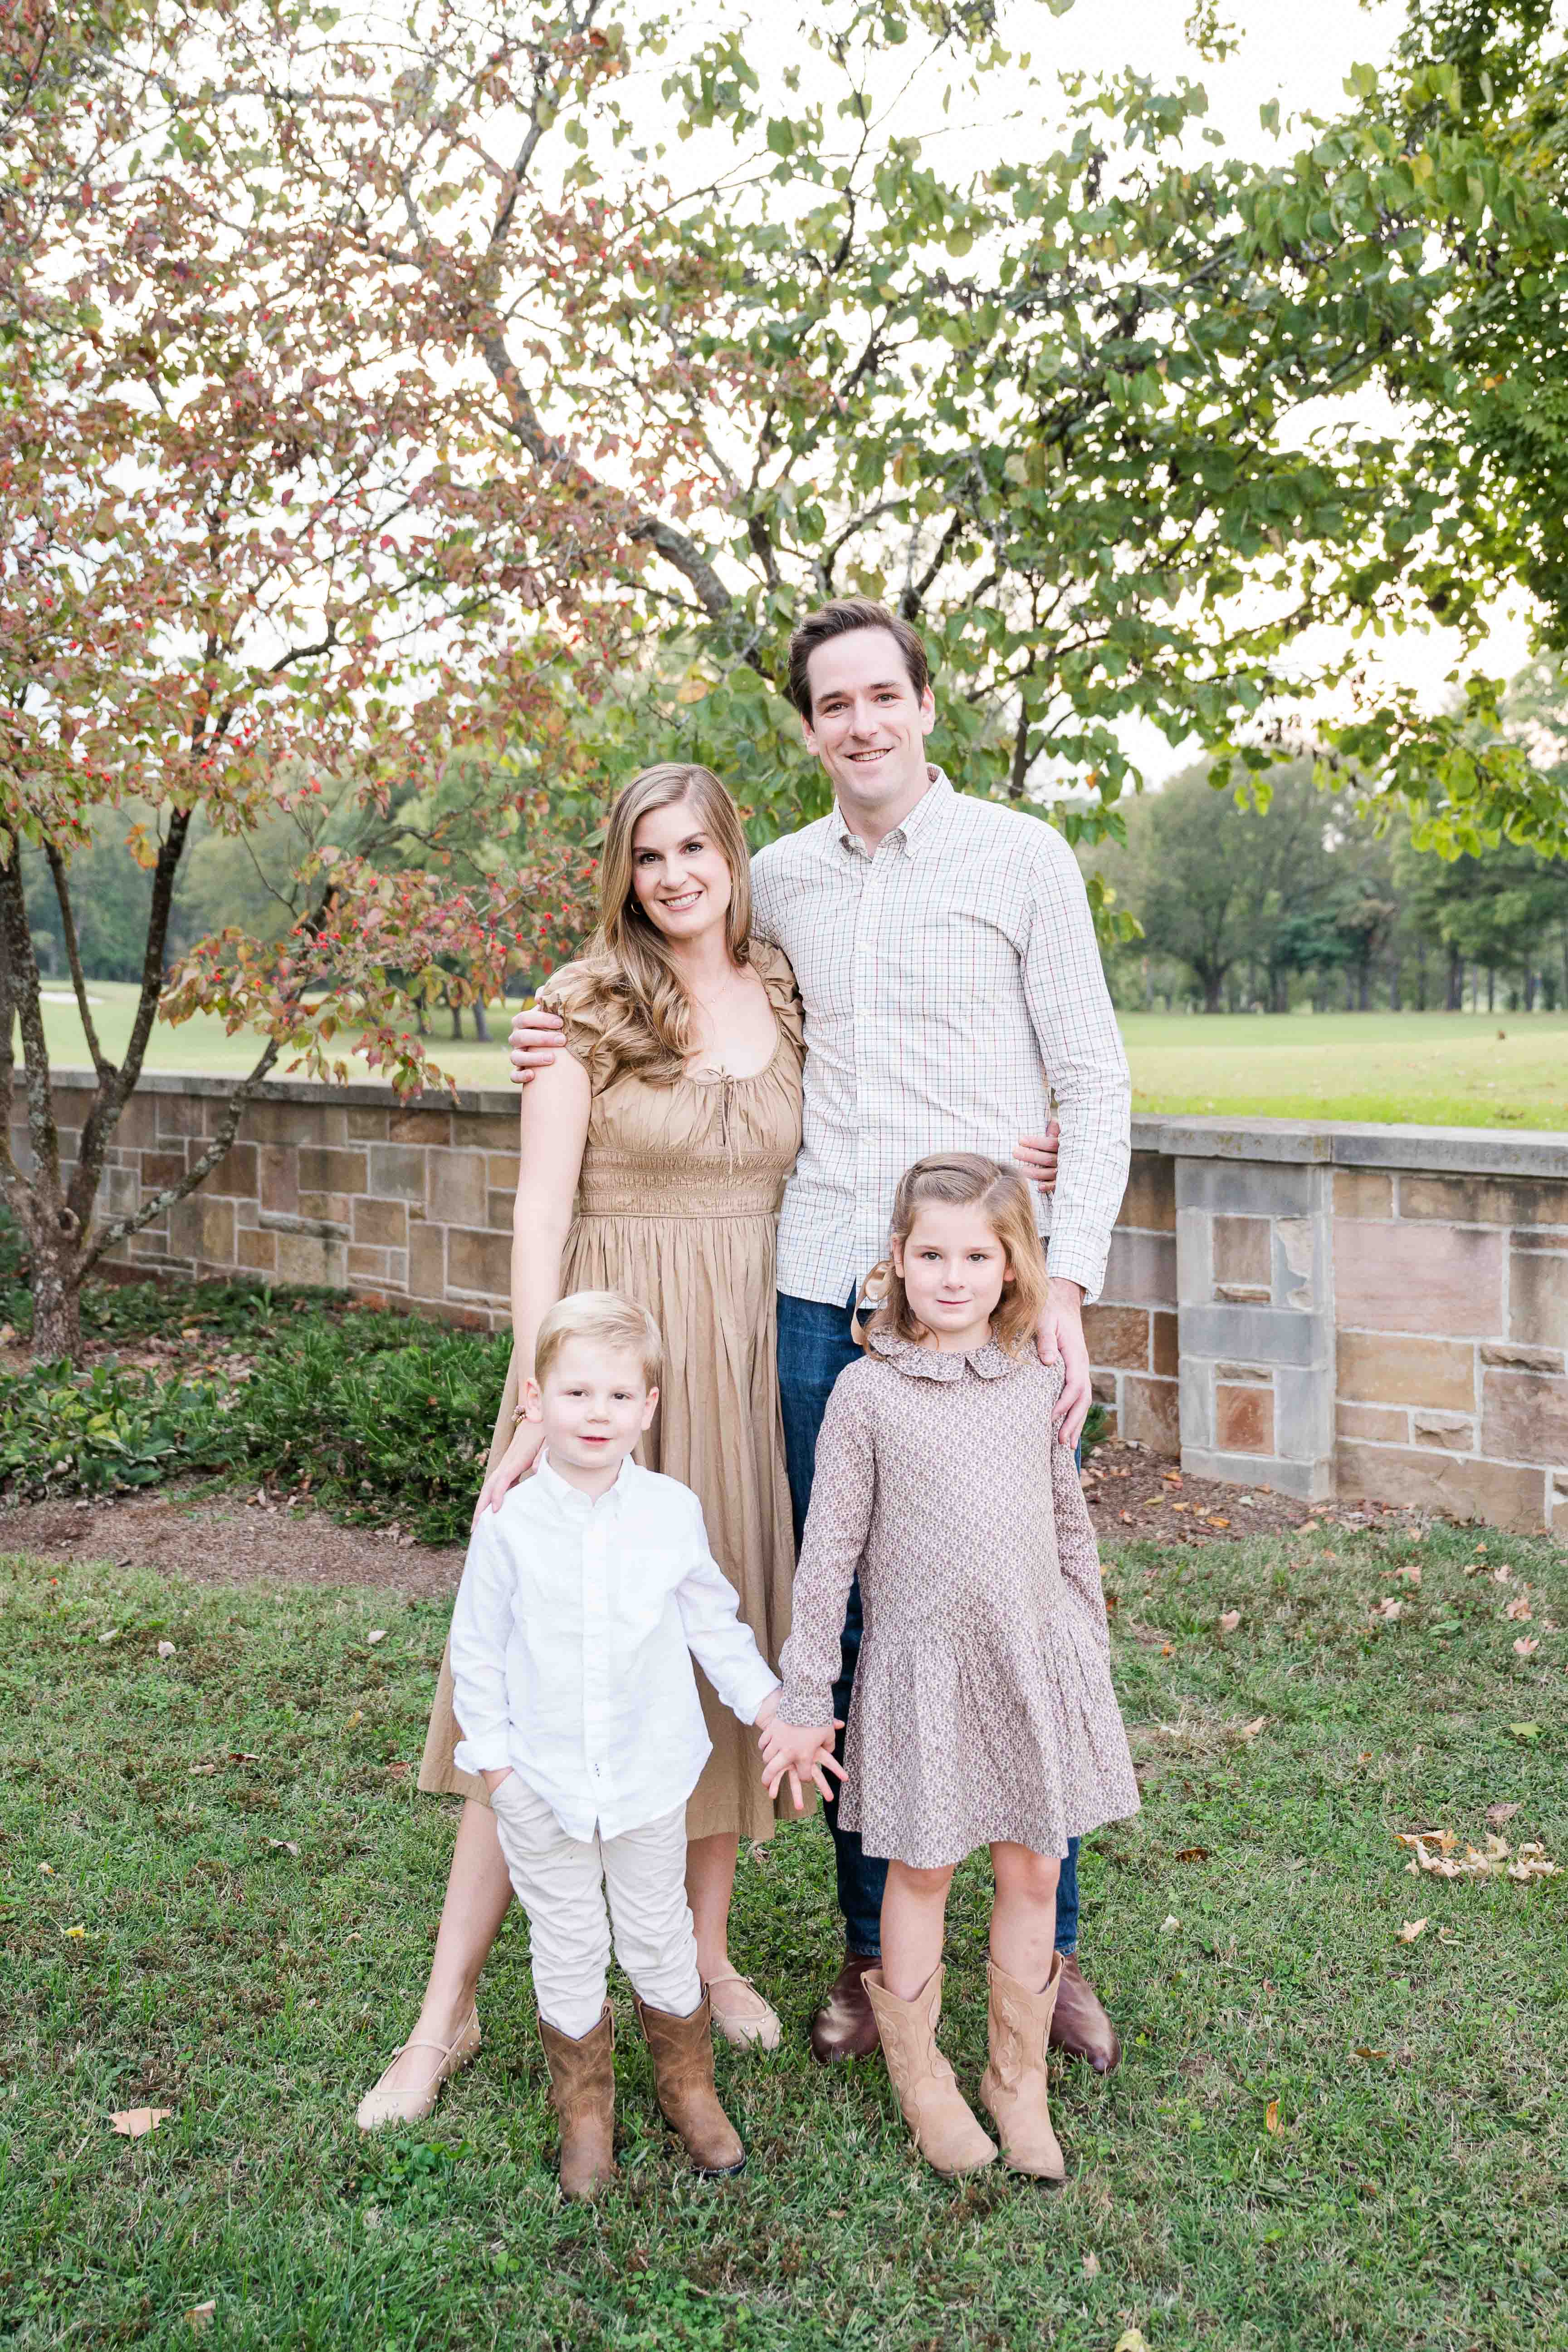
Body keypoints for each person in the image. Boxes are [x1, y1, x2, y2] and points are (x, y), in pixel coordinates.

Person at [511, 597, 1131, 2073]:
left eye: (879, 694)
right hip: (813, 1305)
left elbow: (1095, 1085)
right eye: (829, 703)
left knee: (1014, 1617)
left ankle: (1043, 1957)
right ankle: (869, 1957)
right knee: (848, 1623)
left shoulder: (1018, 861)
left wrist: (1074, 1289)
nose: (856, 721)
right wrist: (551, 1024)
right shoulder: (771, 878)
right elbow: (670, 975)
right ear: (805, 727)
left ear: (925, 702)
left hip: (979, 1297)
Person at [356, 761, 808, 2133]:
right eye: (646, 857)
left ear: (733, 855)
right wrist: (531, 1400)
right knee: (535, 1696)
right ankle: (446, 2014)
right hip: (602, 1358)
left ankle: (708, 1951)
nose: (673, 876)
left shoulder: (787, 992)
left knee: (705, 1651)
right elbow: (537, 1216)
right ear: (621, 873)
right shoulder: (577, 1009)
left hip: (727, 1366)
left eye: (695, 850)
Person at [761, 1157, 1140, 2180]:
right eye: (931, 1254)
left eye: (978, 1255)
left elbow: (1071, 1533)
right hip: (920, 1676)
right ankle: (922, 2075)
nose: (954, 1275)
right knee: (921, 1867)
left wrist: (1083, 1649)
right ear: (895, 1261)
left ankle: (1015, 2080)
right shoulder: (864, 1396)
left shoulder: (1034, 1386)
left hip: (1029, 1660)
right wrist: (805, 1694)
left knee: (1033, 1862)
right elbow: (827, 1558)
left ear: (1014, 1267)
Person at [439, 1290, 808, 2197]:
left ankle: (688, 2087)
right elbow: (477, 1652)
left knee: (657, 1931)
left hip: (647, 1776)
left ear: (649, 1407)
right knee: (565, 1941)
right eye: (575, 1394)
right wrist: (499, 1768)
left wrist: (771, 1705)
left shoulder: (669, 1511)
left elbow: (712, 1626)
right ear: (534, 1403)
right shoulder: (512, 1525)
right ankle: (586, 2114)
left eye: (616, 1396)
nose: (595, 1413)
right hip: (543, 1783)